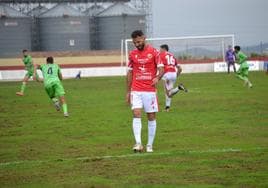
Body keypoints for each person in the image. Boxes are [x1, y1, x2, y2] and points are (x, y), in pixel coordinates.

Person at [126, 30, 164, 153]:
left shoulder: (154, 52)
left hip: (149, 90)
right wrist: (128, 91)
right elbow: (130, 72)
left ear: (144, 38)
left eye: (138, 41)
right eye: (134, 42)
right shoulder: (132, 54)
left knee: (151, 117)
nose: (137, 44)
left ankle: (149, 144)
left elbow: (161, 69)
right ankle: (138, 143)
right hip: (136, 90)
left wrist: (157, 77)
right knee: (136, 113)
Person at [159, 44, 188, 112]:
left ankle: (179, 87)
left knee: (168, 93)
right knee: (170, 92)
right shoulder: (172, 56)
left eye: (160, 49)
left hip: (166, 74)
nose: (159, 50)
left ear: (164, 49)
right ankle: (167, 108)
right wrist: (176, 76)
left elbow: (159, 65)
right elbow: (180, 69)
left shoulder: (161, 55)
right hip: (173, 74)